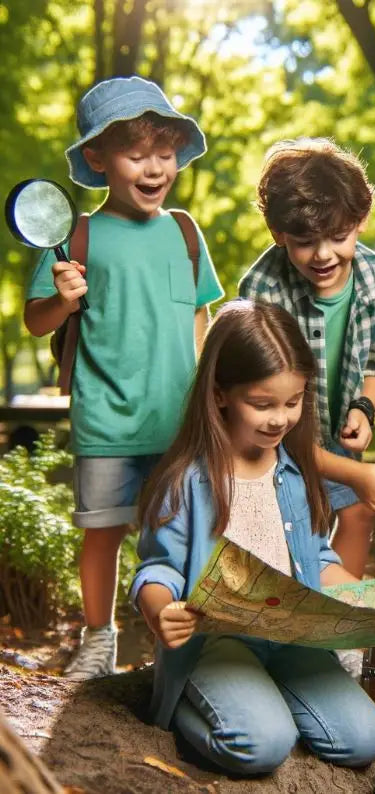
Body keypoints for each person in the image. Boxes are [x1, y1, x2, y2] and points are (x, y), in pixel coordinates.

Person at [131, 300, 375, 774]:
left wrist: (365, 598)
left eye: (293, 403)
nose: (280, 419)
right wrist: (159, 609)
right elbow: (157, 568)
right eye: (262, 404)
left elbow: (316, 558)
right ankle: (177, 707)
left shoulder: (295, 472)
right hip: (216, 641)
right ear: (221, 394)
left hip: (291, 635)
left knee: (364, 739)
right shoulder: (186, 480)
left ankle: (265, 695)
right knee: (262, 746)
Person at [23, 76, 223, 680]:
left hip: (179, 426)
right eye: (137, 155)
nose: (155, 167)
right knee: (103, 533)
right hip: (106, 419)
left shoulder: (185, 232)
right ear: (97, 158)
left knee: (180, 541)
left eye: (165, 154)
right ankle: (98, 637)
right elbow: (37, 322)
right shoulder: (74, 237)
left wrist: (212, 400)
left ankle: (176, 645)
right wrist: (61, 298)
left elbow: (202, 320)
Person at [239, 138, 375, 580]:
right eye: (306, 242)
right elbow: (265, 409)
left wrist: (364, 407)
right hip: (271, 438)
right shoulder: (262, 291)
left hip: (334, 437)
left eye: (338, 237)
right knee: (289, 531)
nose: (324, 254)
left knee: (357, 515)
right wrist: (353, 473)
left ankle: (340, 626)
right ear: (279, 234)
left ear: (360, 221)